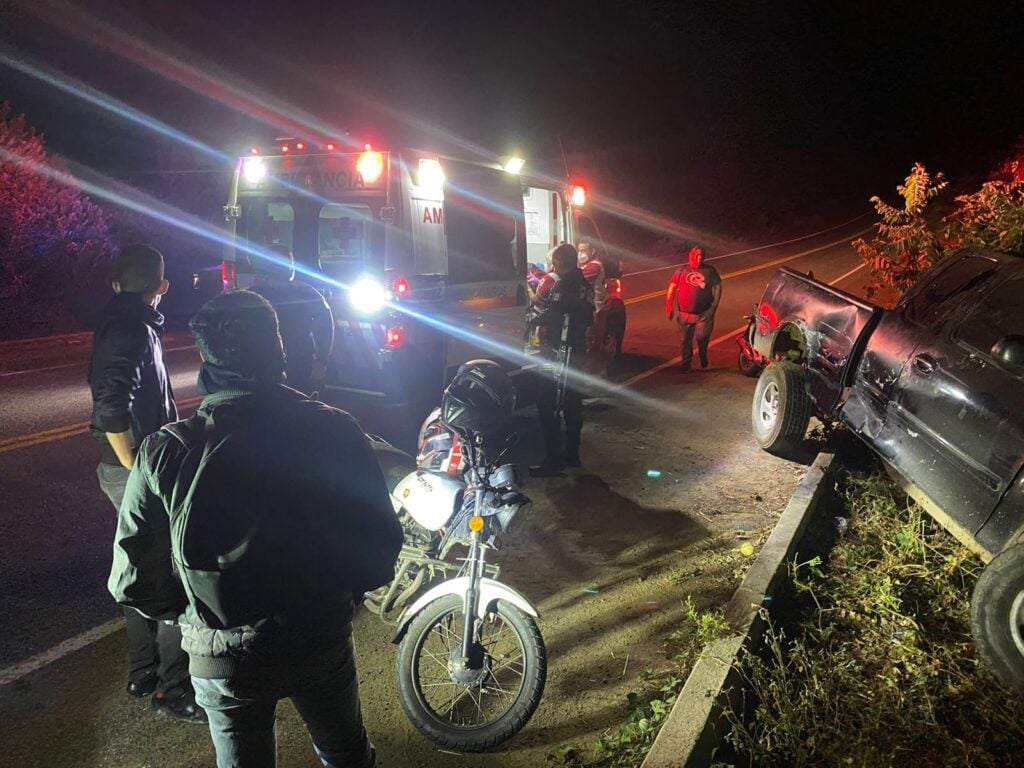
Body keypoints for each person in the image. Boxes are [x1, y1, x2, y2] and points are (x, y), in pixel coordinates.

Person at [108, 290, 403, 768]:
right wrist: (336, 592)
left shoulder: (168, 450)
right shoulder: (336, 431)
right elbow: (379, 549)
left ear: (204, 357)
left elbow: (131, 581)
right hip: (318, 635)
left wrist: (197, 615)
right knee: (345, 753)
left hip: (222, 656)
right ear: (279, 347)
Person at [88, 244, 202, 721]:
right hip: (135, 472)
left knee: (140, 567)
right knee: (171, 576)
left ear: (116, 283)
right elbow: (110, 405)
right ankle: (172, 689)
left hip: (132, 469)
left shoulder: (125, 323)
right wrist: (138, 469)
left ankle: (142, 673)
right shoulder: (132, 329)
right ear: (163, 286)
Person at [530, 243, 595, 476]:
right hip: (576, 352)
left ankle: (553, 459)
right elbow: (588, 316)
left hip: (557, 352)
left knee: (547, 403)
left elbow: (551, 314)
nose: (553, 266)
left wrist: (532, 320)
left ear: (561, 262)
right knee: (572, 403)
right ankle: (572, 454)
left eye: (555, 262)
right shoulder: (585, 285)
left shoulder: (563, 284)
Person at [250, 244, 334, 395]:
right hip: (265, 365)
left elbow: (326, 326)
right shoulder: (254, 295)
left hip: (299, 362)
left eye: (290, 263)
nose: (289, 267)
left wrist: (321, 362)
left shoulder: (306, 293)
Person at [665, 246, 721, 371]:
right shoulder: (681, 271)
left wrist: (714, 306)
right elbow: (672, 287)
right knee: (685, 340)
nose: (699, 258)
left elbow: (717, 286)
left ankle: (702, 355)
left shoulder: (710, 271)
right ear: (691, 256)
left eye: (701, 255)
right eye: (696, 255)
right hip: (684, 313)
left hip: (704, 313)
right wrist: (669, 305)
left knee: (702, 337)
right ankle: (686, 363)